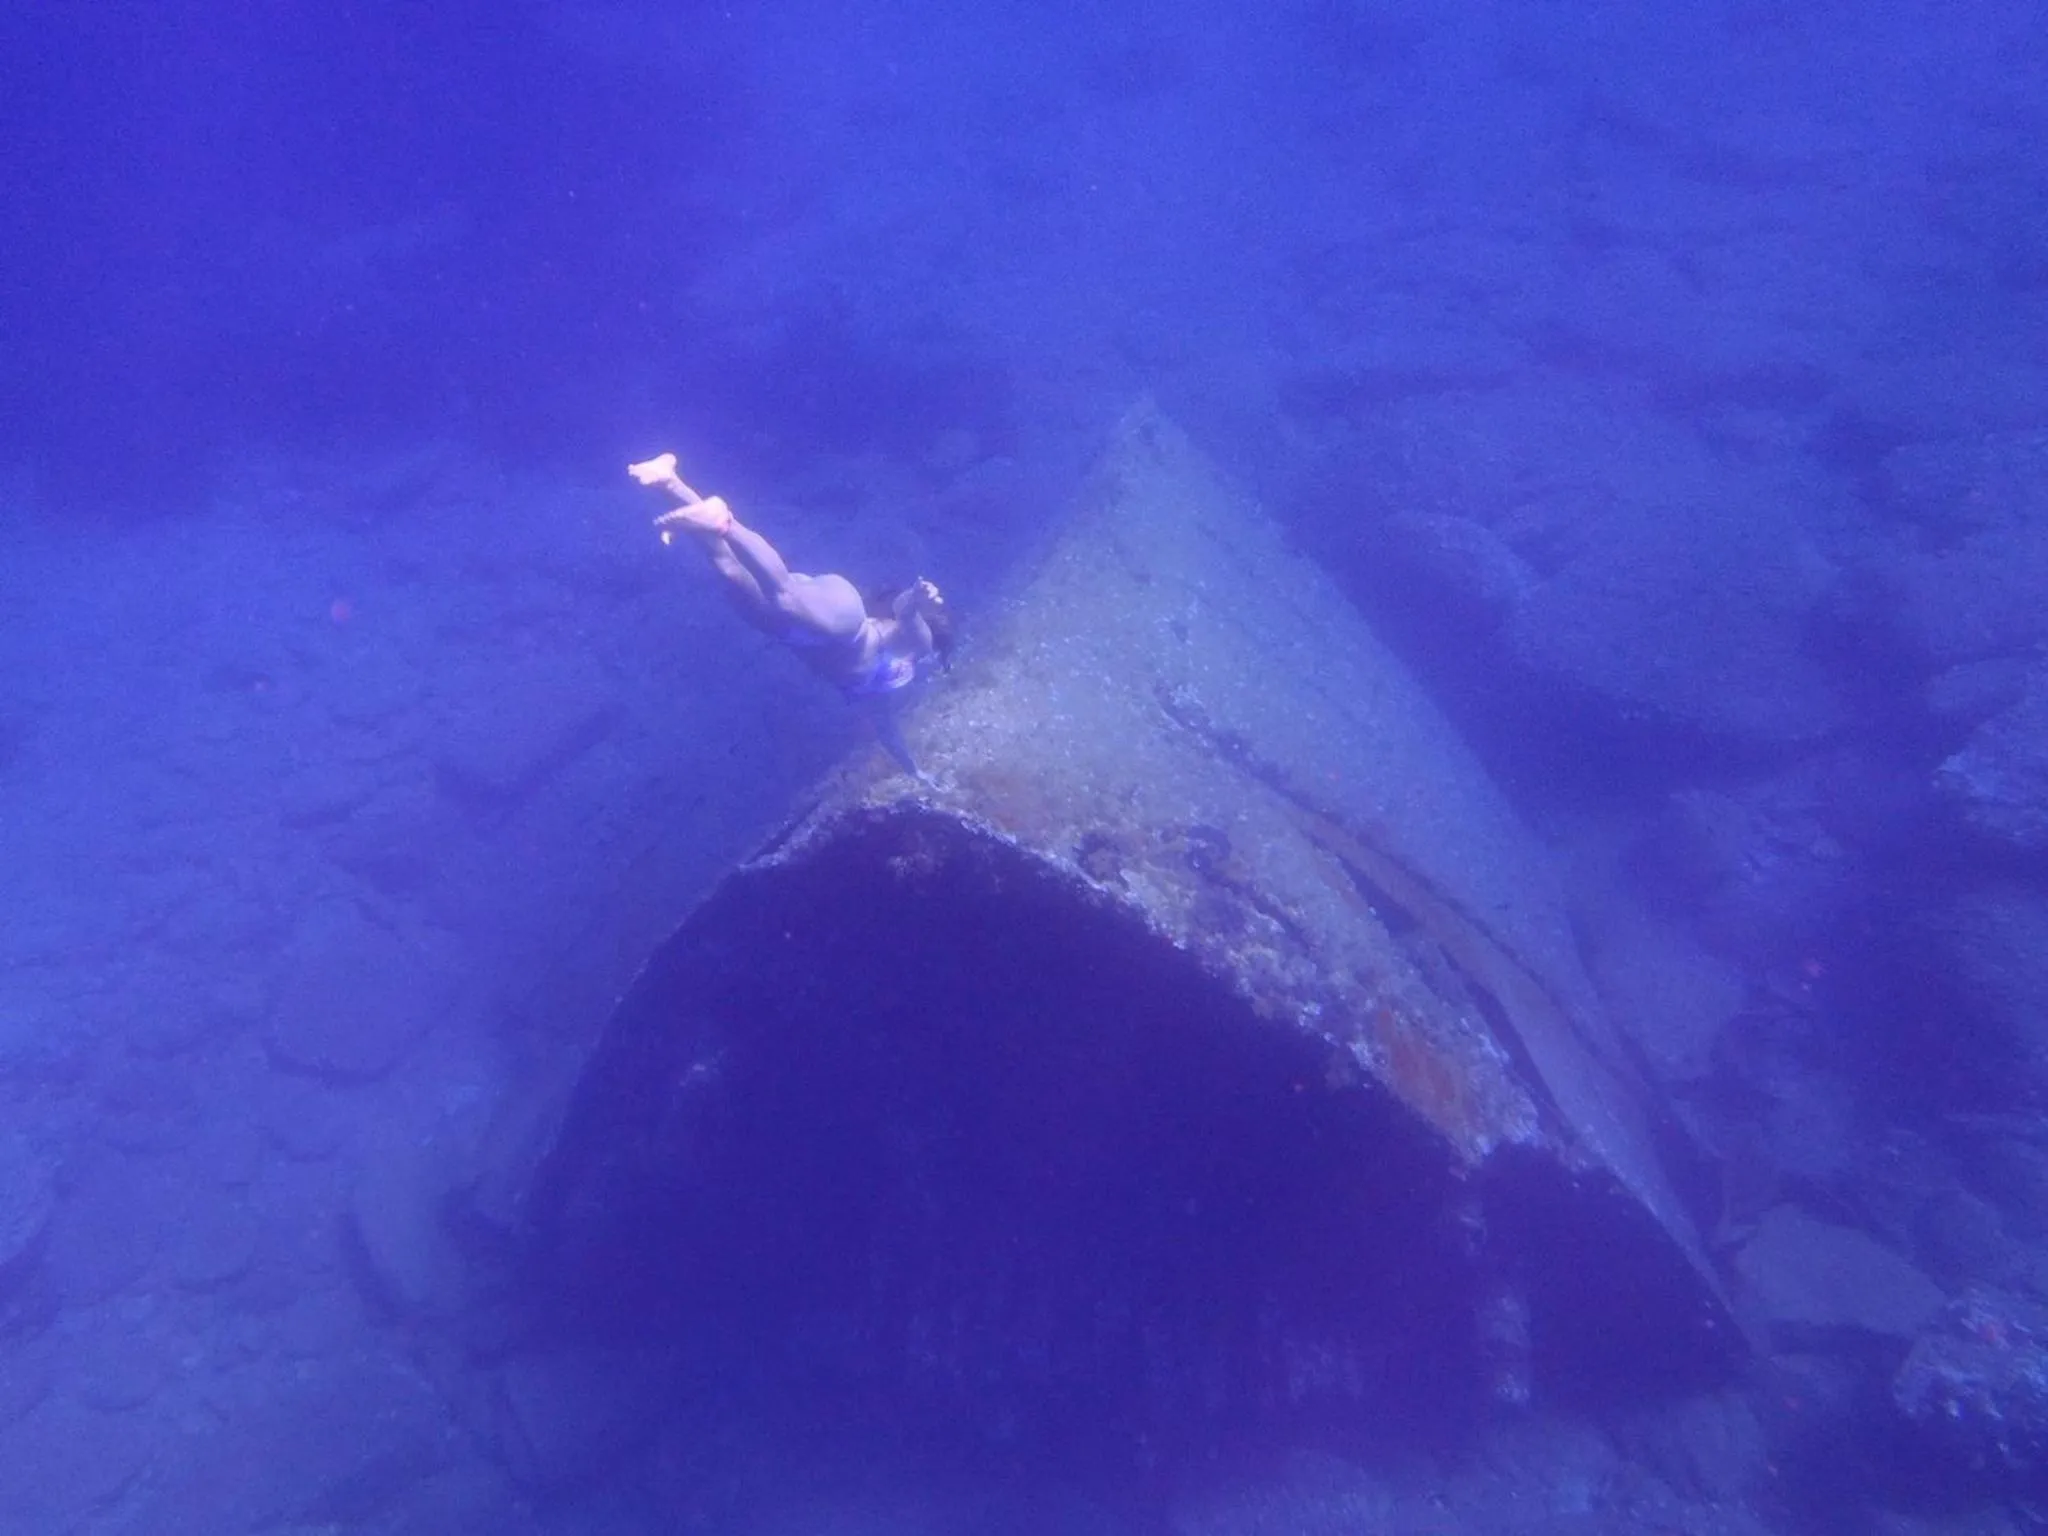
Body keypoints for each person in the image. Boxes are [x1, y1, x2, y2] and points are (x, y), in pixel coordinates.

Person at [629, 452, 951, 776]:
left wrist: (915, 771)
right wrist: (920, 596)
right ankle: (726, 522)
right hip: (843, 622)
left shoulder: (877, 699)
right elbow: (904, 611)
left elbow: (888, 733)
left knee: (728, 570)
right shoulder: (919, 648)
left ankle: (668, 481)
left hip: (792, 633)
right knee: (783, 595)